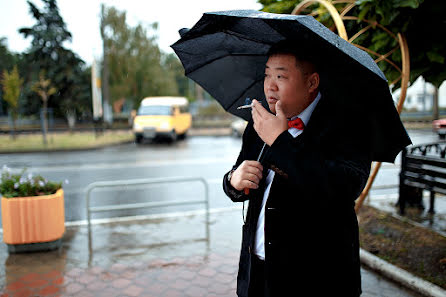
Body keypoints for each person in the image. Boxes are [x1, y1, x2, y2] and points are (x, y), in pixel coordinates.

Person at [222, 45, 371, 297]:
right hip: (257, 275)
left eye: (281, 77)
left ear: (312, 82)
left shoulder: (348, 124)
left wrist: (280, 142)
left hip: (315, 280)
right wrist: (233, 181)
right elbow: (242, 180)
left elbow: (342, 189)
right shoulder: (260, 122)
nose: (270, 86)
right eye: (267, 75)